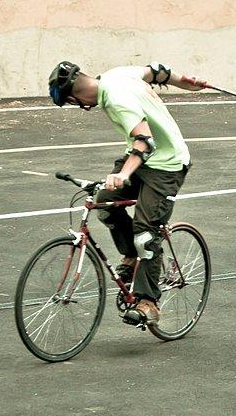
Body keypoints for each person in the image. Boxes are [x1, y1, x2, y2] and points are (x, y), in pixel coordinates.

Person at [48, 61, 205, 325]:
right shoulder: (115, 75)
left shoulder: (116, 99)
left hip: (167, 165)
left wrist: (123, 175)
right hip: (145, 161)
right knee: (105, 204)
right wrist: (185, 82)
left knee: (145, 233)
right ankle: (131, 257)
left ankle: (148, 302)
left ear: (74, 99)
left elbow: (145, 141)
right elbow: (156, 70)